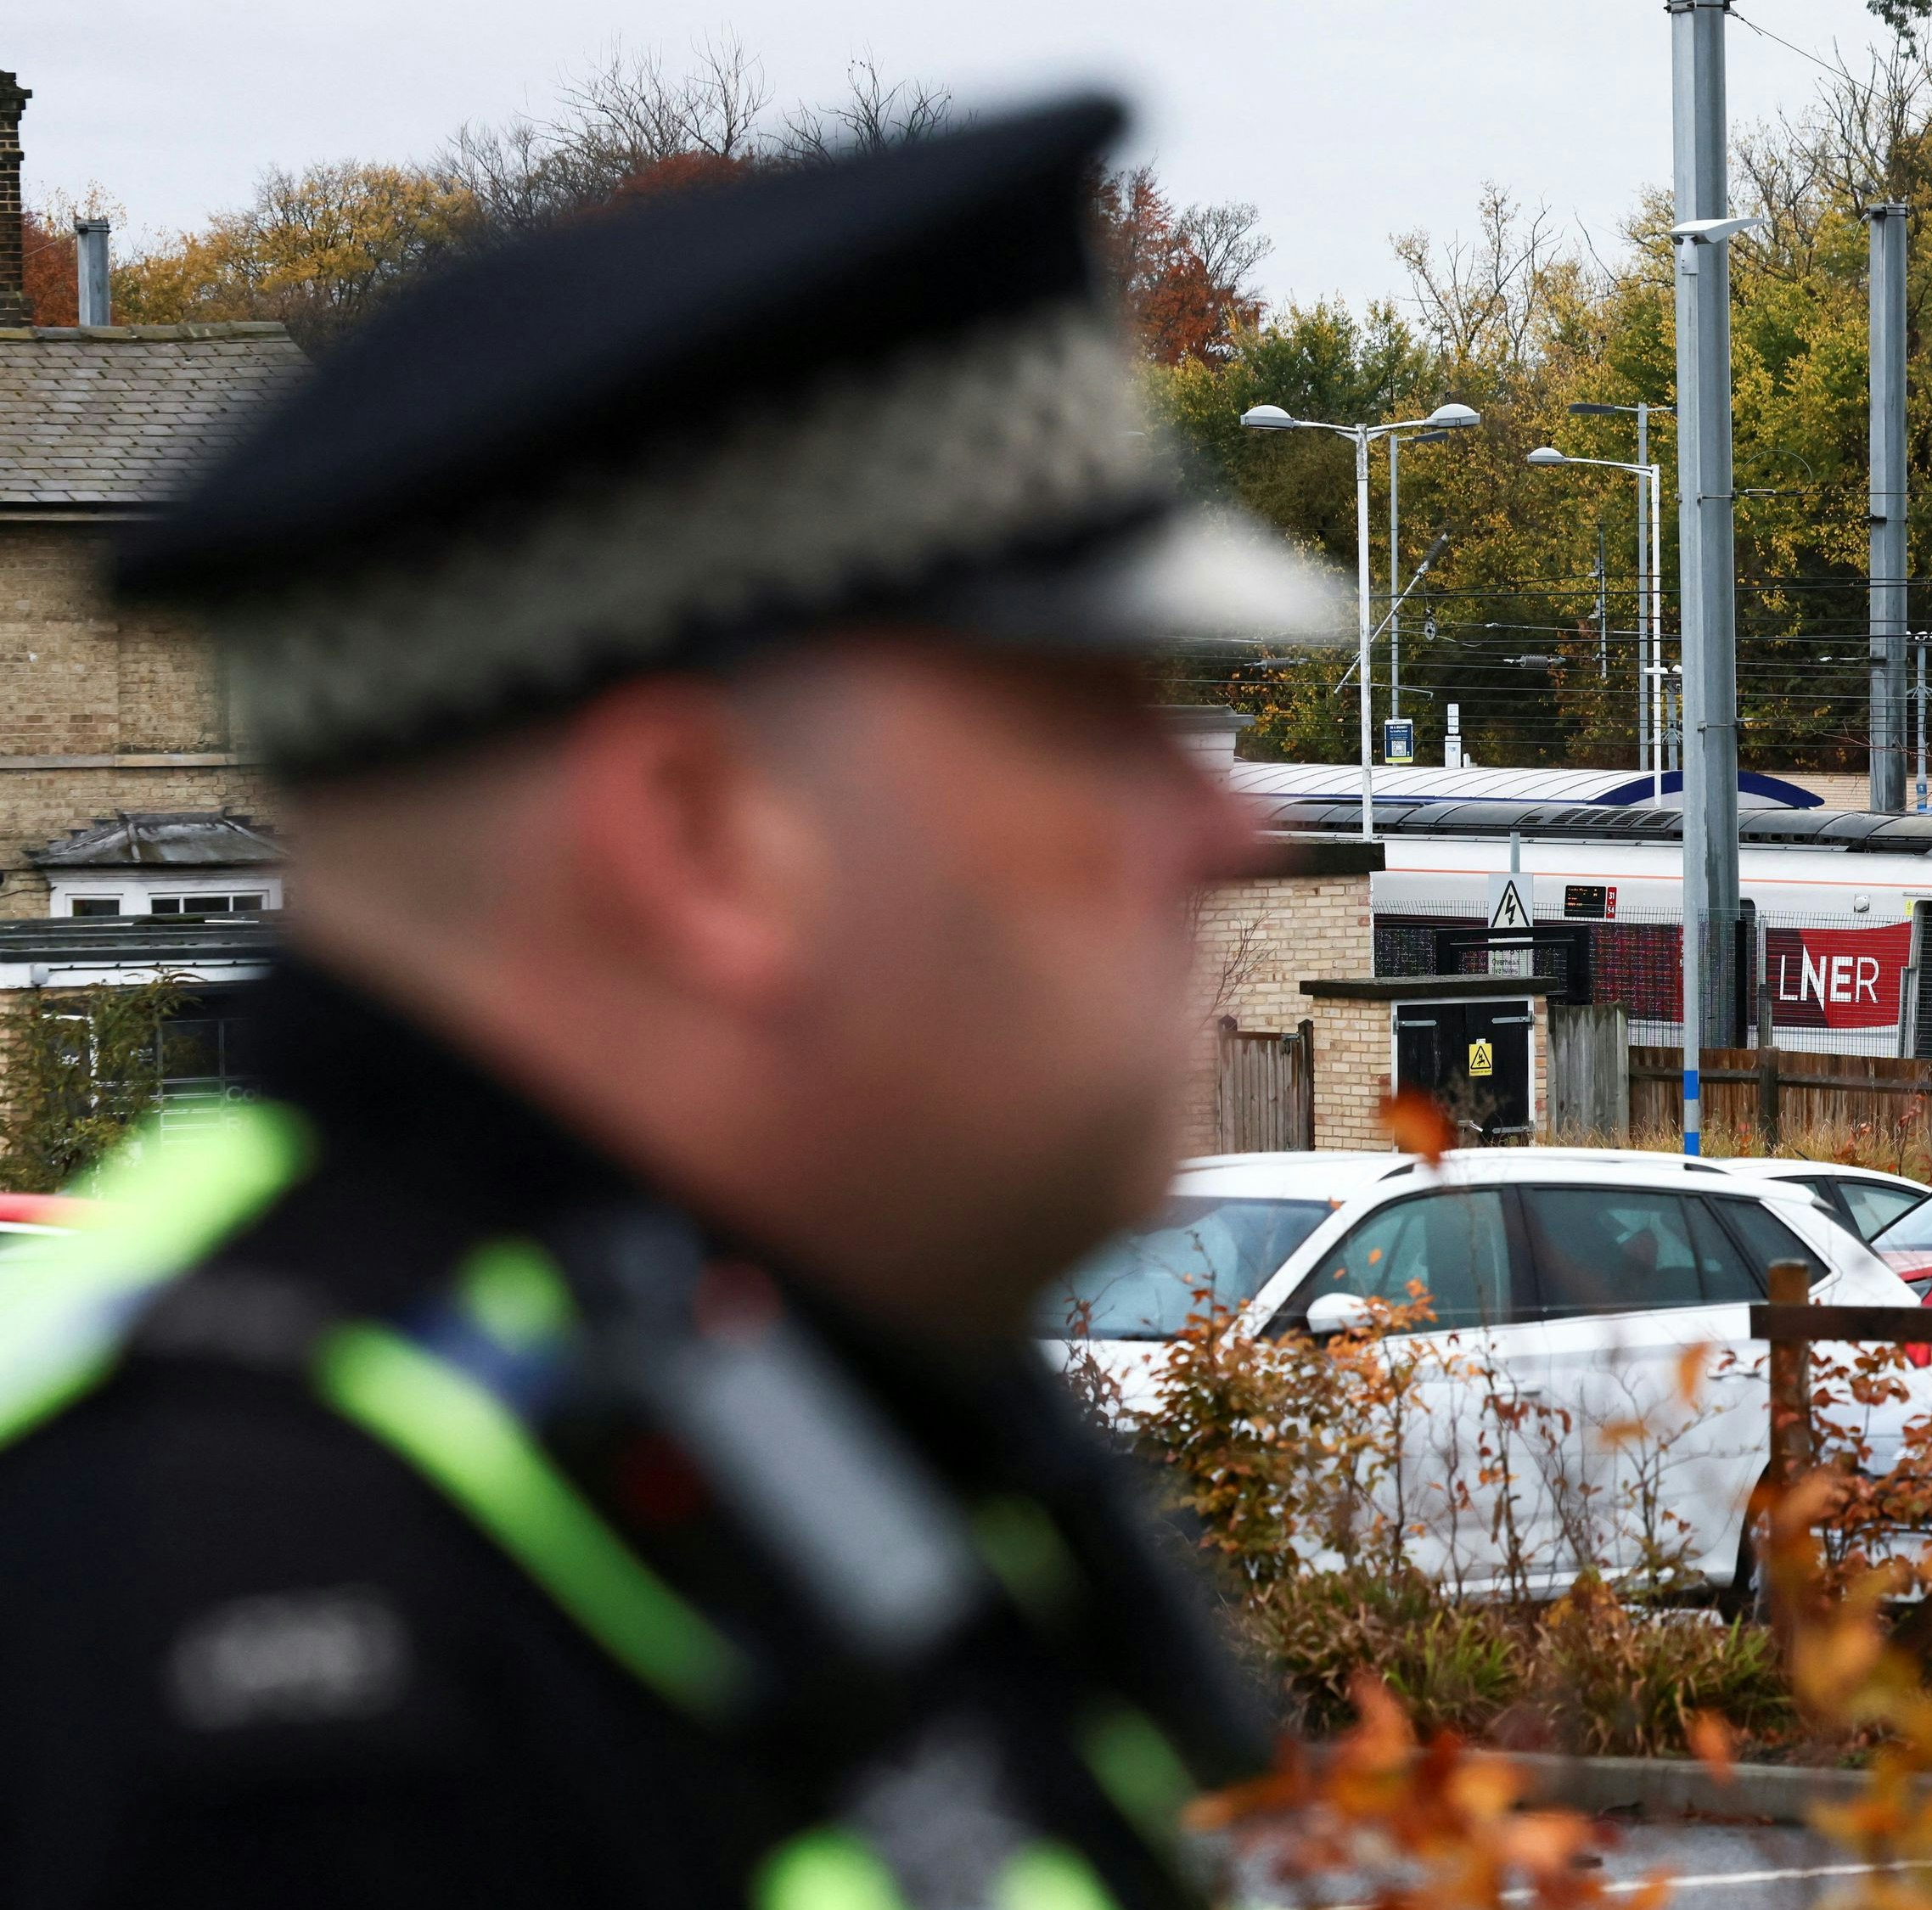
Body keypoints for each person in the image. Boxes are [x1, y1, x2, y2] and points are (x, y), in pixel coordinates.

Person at [0, 98, 1328, 1908]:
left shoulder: (736, 1406)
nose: (1222, 826)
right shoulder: (237, 1647)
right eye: (1086, 719)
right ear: (706, 839)